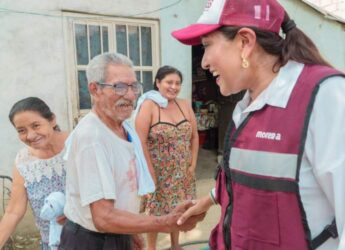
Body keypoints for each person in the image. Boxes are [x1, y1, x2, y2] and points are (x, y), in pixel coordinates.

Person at [171, 0, 345, 249]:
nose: (203, 62)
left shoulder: (330, 99)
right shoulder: (247, 105)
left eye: (207, 46)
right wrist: (210, 199)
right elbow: (256, 176)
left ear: (245, 42)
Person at [60, 53, 202, 250]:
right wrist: (166, 222)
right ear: (95, 89)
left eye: (133, 86)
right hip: (95, 241)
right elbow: (103, 217)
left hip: (117, 233)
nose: (129, 95)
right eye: (119, 87)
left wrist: (130, 231)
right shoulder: (92, 138)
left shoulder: (123, 127)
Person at [135, 65, 199, 250]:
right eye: (169, 82)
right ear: (158, 83)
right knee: (154, 214)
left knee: (178, 209)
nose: (174, 87)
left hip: (182, 171)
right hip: (157, 172)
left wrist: (192, 164)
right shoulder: (149, 106)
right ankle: (152, 248)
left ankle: (175, 245)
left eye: (177, 83)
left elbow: (194, 136)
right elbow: (141, 142)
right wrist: (149, 173)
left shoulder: (185, 104)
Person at [0, 97, 68, 250]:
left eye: (36, 125)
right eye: (21, 131)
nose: (30, 136)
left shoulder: (77, 146)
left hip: (92, 241)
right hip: (52, 245)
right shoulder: (24, 161)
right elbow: (13, 211)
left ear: (52, 120)